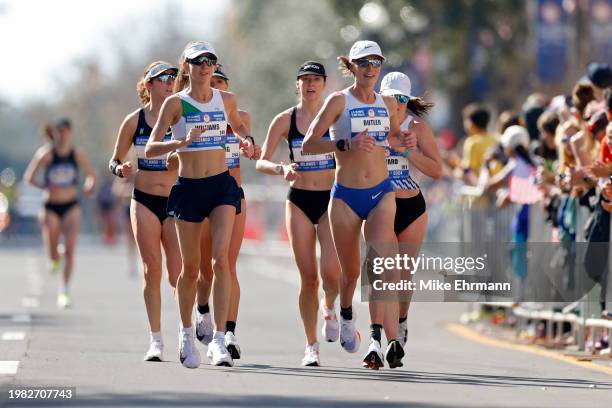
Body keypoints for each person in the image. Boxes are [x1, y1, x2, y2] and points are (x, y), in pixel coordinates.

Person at [303, 40, 415, 369]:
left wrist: (403, 141)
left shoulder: (387, 103)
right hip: (346, 197)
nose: (370, 68)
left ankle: (376, 337)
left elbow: (393, 137)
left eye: (375, 62)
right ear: (351, 66)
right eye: (363, 62)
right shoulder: (339, 101)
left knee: (380, 264)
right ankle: (346, 311)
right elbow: (310, 143)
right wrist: (345, 142)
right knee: (350, 273)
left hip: (382, 192)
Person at [145, 41, 254, 368]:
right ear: (187, 66)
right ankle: (186, 333)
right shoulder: (176, 104)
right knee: (190, 271)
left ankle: (220, 340)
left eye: (210, 61)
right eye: (198, 61)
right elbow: (151, 149)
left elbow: (240, 125)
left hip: (222, 186)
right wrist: (181, 143)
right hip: (190, 188)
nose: (205, 66)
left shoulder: (227, 100)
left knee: (221, 262)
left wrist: (248, 141)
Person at [256, 61, 341, 366]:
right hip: (299, 200)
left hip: (332, 199)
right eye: (305, 79)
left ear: (324, 84)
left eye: (316, 79)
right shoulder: (284, 120)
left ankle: (330, 307)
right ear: (298, 85)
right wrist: (282, 168)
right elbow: (261, 161)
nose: (310, 84)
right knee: (308, 277)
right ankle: (311, 345)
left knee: (333, 272)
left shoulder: (336, 117)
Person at [109, 61, 182, 361]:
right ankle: (156, 340)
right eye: (162, 78)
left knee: (178, 273)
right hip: (144, 199)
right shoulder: (134, 121)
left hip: (177, 201)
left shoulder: (181, 117)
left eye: (172, 78)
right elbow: (113, 161)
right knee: (151, 270)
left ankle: (185, 331)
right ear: (148, 85)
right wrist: (121, 169)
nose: (169, 82)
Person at [195, 66, 261, 361]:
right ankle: (202, 309)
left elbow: (250, 146)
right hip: (202, 194)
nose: (218, 89)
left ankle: (228, 332)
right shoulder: (193, 113)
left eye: (222, 83)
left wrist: (250, 148)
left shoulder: (240, 117)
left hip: (233, 195)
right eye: (213, 82)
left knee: (226, 265)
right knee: (203, 269)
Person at [379, 72, 442, 348]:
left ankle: (402, 321)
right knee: (385, 271)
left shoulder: (417, 128)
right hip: (379, 205)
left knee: (404, 274)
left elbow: (436, 170)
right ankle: (383, 334)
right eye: (390, 98)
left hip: (411, 206)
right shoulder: (370, 123)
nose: (396, 104)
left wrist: (407, 152)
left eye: (401, 98)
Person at [23, 119, 96, 309]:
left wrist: (89, 186)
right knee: (54, 253)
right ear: (54, 134)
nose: (62, 136)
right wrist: (45, 185)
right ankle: (54, 257)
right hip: (51, 207)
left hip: (71, 205)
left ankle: (64, 290)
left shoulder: (76, 154)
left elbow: (91, 175)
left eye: (65, 132)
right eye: (59, 132)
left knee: (70, 249)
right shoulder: (46, 154)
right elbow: (29, 177)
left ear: (70, 133)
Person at [460, 103, 497, 186]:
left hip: (485, 187)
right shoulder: (496, 138)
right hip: (498, 185)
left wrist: (479, 189)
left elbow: (468, 170)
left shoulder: (472, 142)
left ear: (470, 123)